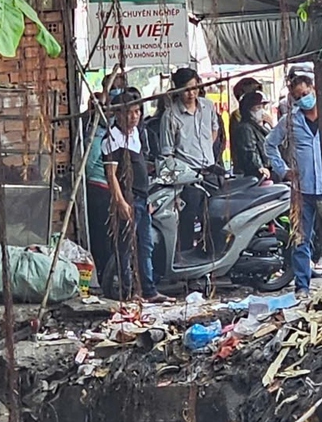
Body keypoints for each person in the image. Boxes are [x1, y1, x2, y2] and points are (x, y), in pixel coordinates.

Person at [263, 74, 322, 296]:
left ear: (314, 89)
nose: (303, 99)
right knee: (301, 239)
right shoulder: (290, 121)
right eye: (298, 97)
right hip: (301, 191)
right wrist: (283, 170)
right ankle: (302, 286)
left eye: (305, 93)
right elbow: (270, 144)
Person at [104, 91, 166, 302]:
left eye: (137, 111)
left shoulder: (136, 134)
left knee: (145, 246)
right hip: (128, 200)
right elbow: (111, 175)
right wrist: (120, 202)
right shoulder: (112, 138)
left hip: (142, 199)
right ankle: (127, 292)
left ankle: (148, 290)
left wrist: (146, 199)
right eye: (129, 112)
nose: (134, 116)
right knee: (126, 248)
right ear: (118, 115)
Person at [163, 67, 225, 253]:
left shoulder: (208, 106)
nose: (191, 93)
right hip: (188, 178)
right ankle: (187, 262)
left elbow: (214, 130)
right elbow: (167, 152)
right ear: (177, 90)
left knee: (215, 219)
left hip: (211, 173)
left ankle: (212, 260)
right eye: (186, 90)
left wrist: (205, 151)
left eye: (194, 88)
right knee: (188, 221)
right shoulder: (170, 115)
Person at [83, 74, 126, 294]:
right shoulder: (94, 129)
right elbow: (89, 165)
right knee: (101, 239)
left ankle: (115, 281)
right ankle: (104, 280)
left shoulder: (122, 132)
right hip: (97, 188)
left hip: (112, 189)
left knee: (115, 240)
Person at [230, 88, 272, 180]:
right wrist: (259, 167)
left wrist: (272, 125)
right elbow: (249, 152)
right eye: (258, 108)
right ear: (248, 110)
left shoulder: (260, 127)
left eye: (262, 107)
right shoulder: (245, 128)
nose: (262, 111)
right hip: (255, 176)